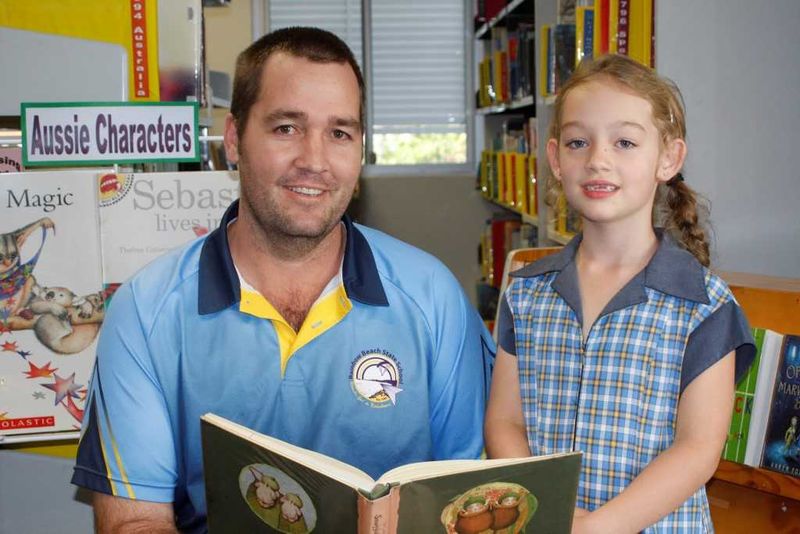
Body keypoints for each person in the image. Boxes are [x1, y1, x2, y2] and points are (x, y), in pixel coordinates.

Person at [72, 27, 493, 533]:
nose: (314, 161)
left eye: (340, 132)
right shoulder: (145, 311)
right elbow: (133, 521)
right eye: (287, 128)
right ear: (234, 141)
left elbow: (467, 501)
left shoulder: (434, 299)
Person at [484, 54, 755, 533]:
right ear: (555, 159)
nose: (598, 160)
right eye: (577, 142)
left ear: (667, 159)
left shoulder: (704, 304)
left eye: (625, 141)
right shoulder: (526, 293)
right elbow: (505, 423)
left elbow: (697, 450)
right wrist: (542, 507)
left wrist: (595, 527)